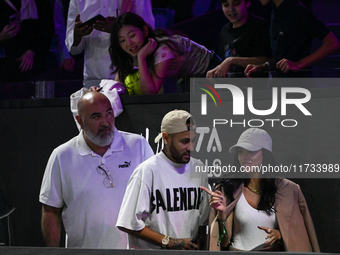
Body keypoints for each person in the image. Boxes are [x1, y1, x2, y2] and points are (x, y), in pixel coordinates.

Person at [39, 91, 154, 248]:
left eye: (108, 114)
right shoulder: (62, 156)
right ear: (80, 120)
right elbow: (51, 211)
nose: (105, 122)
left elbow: (156, 201)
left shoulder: (138, 146)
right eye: (96, 117)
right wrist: (52, 253)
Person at [201, 128, 319, 252]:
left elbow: (299, 238)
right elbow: (223, 242)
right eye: (241, 152)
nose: (244, 157)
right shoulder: (228, 189)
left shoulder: (288, 190)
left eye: (251, 152)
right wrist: (221, 214)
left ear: (265, 154)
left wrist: (280, 236)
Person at [116, 109, 210, 249]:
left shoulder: (199, 168)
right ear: (166, 138)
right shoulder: (147, 171)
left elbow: (202, 220)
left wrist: (200, 241)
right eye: (184, 141)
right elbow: (128, 223)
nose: (191, 147)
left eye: (193, 140)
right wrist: (170, 242)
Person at [109, 12, 222, 95]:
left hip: (212, 72)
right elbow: (117, 84)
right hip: (189, 79)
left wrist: (141, 58)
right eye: (122, 40)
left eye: (132, 36)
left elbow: (150, 92)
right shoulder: (133, 50)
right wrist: (103, 91)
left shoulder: (162, 50)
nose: (129, 43)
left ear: (144, 31)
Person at [65, 0, 155, 87]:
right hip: (93, 78)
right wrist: (77, 34)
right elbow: (73, 49)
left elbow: (148, 31)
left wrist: (118, 29)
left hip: (131, 75)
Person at [244, 0, 340, 77]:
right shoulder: (275, 11)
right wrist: (262, 67)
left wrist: (299, 64)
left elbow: (332, 43)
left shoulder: (297, 11)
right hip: (283, 87)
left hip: (300, 88)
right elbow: (283, 56)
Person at [206, 0, 272, 78]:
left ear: (247, 3)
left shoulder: (259, 25)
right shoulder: (224, 31)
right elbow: (225, 62)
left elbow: (266, 60)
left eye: (236, 4)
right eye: (226, 5)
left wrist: (231, 60)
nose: (231, 9)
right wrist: (217, 69)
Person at [0, 0, 54, 82]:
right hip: (5, 66)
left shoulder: (40, 3)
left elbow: (47, 30)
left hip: (34, 66)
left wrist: (32, 51)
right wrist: (1, 36)